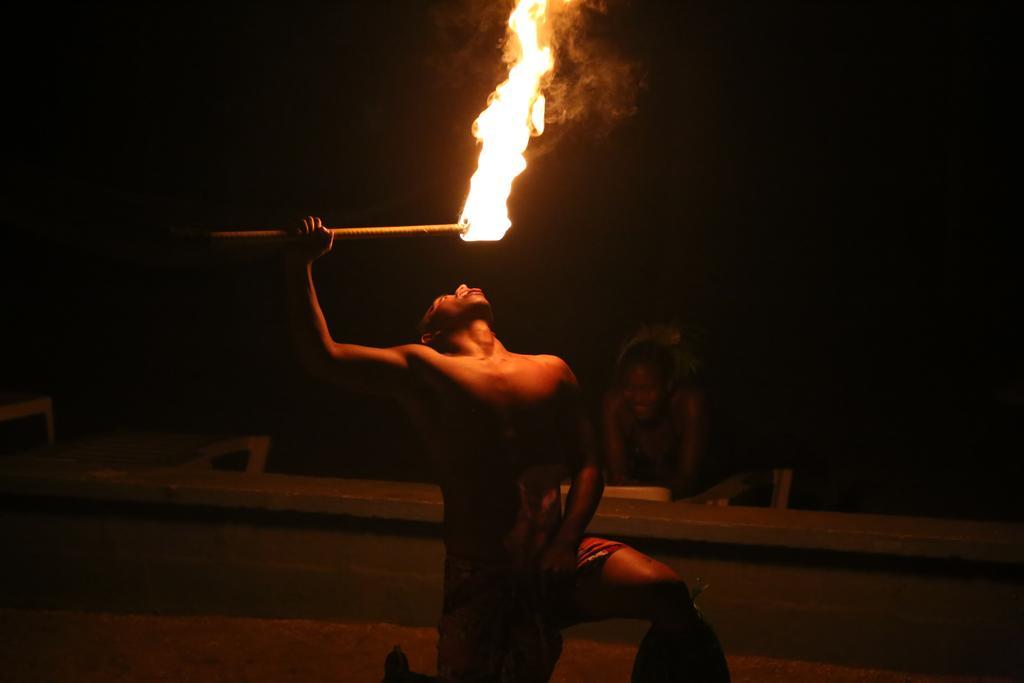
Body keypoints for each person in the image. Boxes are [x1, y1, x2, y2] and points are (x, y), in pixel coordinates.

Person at [286, 217, 728, 683]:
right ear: (430, 333)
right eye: (446, 295)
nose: (462, 285)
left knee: (667, 591)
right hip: (483, 575)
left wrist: (564, 541)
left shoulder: (551, 370)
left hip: (556, 562)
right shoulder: (427, 370)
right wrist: (302, 266)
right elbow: (323, 355)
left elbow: (589, 465)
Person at [603, 333, 707, 499]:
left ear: (668, 385)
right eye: (630, 388)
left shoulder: (688, 403)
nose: (637, 398)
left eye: (647, 389)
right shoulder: (615, 405)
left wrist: (642, 489)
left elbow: (689, 480)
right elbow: (618, 478)